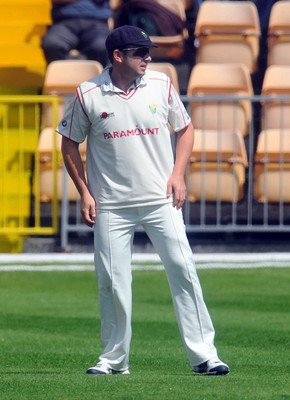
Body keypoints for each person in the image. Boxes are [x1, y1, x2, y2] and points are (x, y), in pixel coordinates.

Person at [57, 25, 230, 376]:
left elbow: (185, 128)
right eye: (139, 52)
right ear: (118, 56)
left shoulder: (162, 83)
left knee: (183, 271)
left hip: (161, 199)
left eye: (148, 51)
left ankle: (204, 356)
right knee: (113, 281)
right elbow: (68, 143)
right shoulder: (87, 92)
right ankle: (114, 360)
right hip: (111, 204)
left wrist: (178, 173)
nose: (148, 57)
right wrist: (85, 193)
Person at [41, 0, 112, 66]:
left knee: (102, 45)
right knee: (52, 44)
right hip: (64, 22)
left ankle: (102, 78)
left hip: (97, 23)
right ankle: (62, 77)